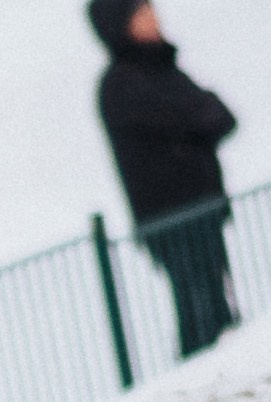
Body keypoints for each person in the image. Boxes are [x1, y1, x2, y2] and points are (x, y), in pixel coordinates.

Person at [90, 0, 240, 357]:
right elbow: (193, 117)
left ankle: (218, 371)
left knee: (215, 305)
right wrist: (196, 122)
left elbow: (221, 118)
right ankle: (203, 377)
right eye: (141, 13)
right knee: (199, 312)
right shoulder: (123, 84)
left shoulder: (160, 68)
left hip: (201, 208)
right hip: (171, 220)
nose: (154, 18)